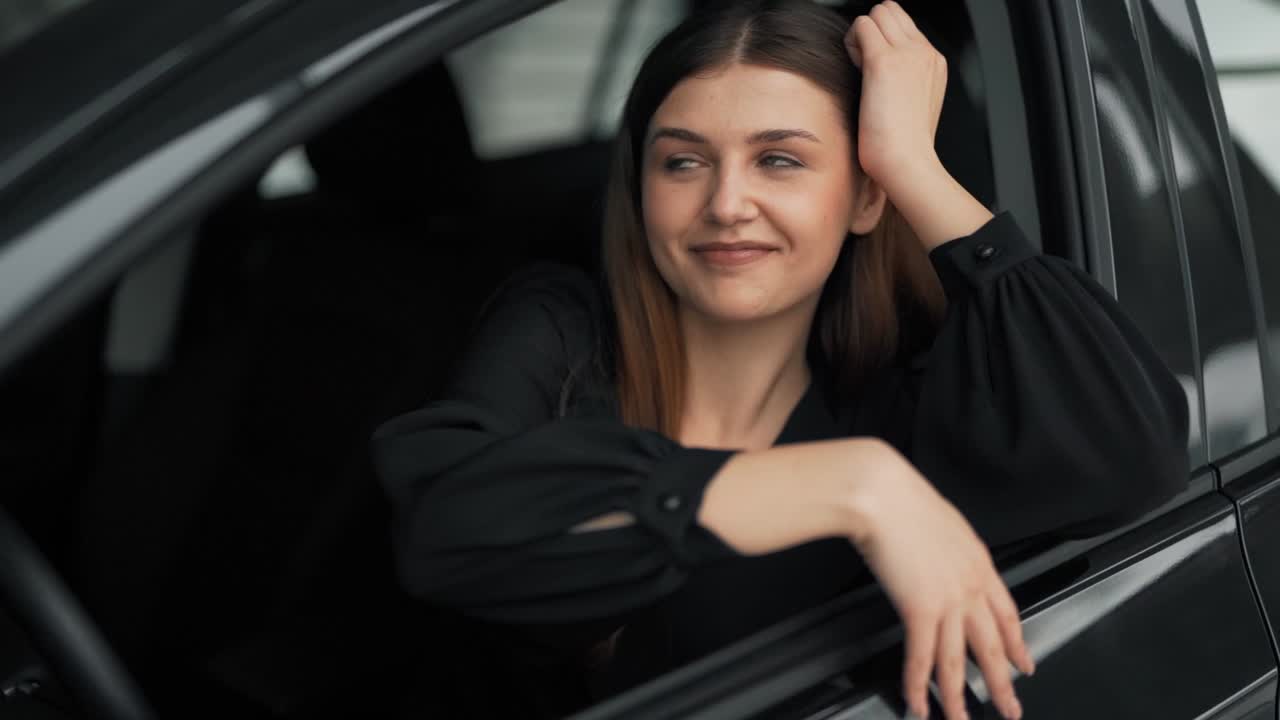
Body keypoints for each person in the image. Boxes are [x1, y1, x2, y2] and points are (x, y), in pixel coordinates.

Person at [371, 2, 1190, 719]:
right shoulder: (564, 328)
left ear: (868, 198)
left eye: (780, 160)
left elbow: (1134, 456)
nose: (726, 203)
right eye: (683, 161)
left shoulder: (905, 398)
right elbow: (446, 524)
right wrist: (853, 487)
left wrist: (913, 166)